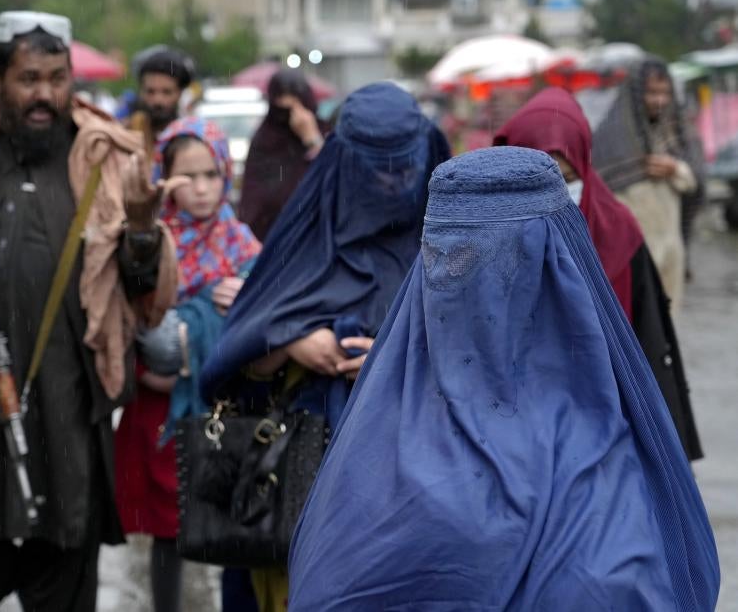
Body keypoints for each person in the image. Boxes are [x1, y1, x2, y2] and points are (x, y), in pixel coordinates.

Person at [288, 146, 719, 611]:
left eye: (502, 263)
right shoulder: (621, 458)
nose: (473, 287)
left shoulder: (374, 443)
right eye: (449, 261)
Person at [0, 11, 177, 611]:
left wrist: (138, 227)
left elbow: (142, 291)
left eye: (57, 78)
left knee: (65, 558)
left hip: (66, 401)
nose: (45, 95)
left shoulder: (104, 158)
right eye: (29, 79)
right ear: (0, 78)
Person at [200, 82, 451, 612]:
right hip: (295, 487)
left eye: (403, 167)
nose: (391, 183)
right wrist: (291, 341)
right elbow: (232, 369)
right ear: (345, 162)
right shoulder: (302, 241)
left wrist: (395, 364)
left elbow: (479, 371)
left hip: (411, 488)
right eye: (375, 168)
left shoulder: (447, 248)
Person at [494, 87, 703, 461]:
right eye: (544, 175)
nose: (560, 191)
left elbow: (649, 346)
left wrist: (664, 447)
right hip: (510, 433)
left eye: (570, 177)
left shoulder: (618, 231)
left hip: (606, 429)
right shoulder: (484, 237)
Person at [115, 117, 261, 612]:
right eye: (187, 177)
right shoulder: (148, 243)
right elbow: (128, 320)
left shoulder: (241, 243)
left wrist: (246, 300)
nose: (201, 189)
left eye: (211, 175)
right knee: (167, 531)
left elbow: (267, 321)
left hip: (226, 406)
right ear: (164, 178)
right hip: (163, 413)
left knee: (231, 525)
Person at [591, 58, 703, 317]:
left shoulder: (678, 131)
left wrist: (676, 169)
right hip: (630, 252)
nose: (659, 100)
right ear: (635, 93)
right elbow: (599, 196)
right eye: (651, 92)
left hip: (670, 248)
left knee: (667, 327)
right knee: (635, 326)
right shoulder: (612, 137)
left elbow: (697, 181)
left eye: (664, 92)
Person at [239, 70, 327, 240]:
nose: (294, 115)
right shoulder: (265, 141)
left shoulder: (326, 133)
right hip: (274, 242)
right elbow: (255, 201)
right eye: (283, 106)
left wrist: (312, 140)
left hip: (319, 238)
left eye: (298, 103)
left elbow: (335, 178)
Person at [130, 46, 195, 150]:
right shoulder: (126, 133)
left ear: (180, 93)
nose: (157, 100)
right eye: (150, 92)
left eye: (166, 92)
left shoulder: (192, 136)